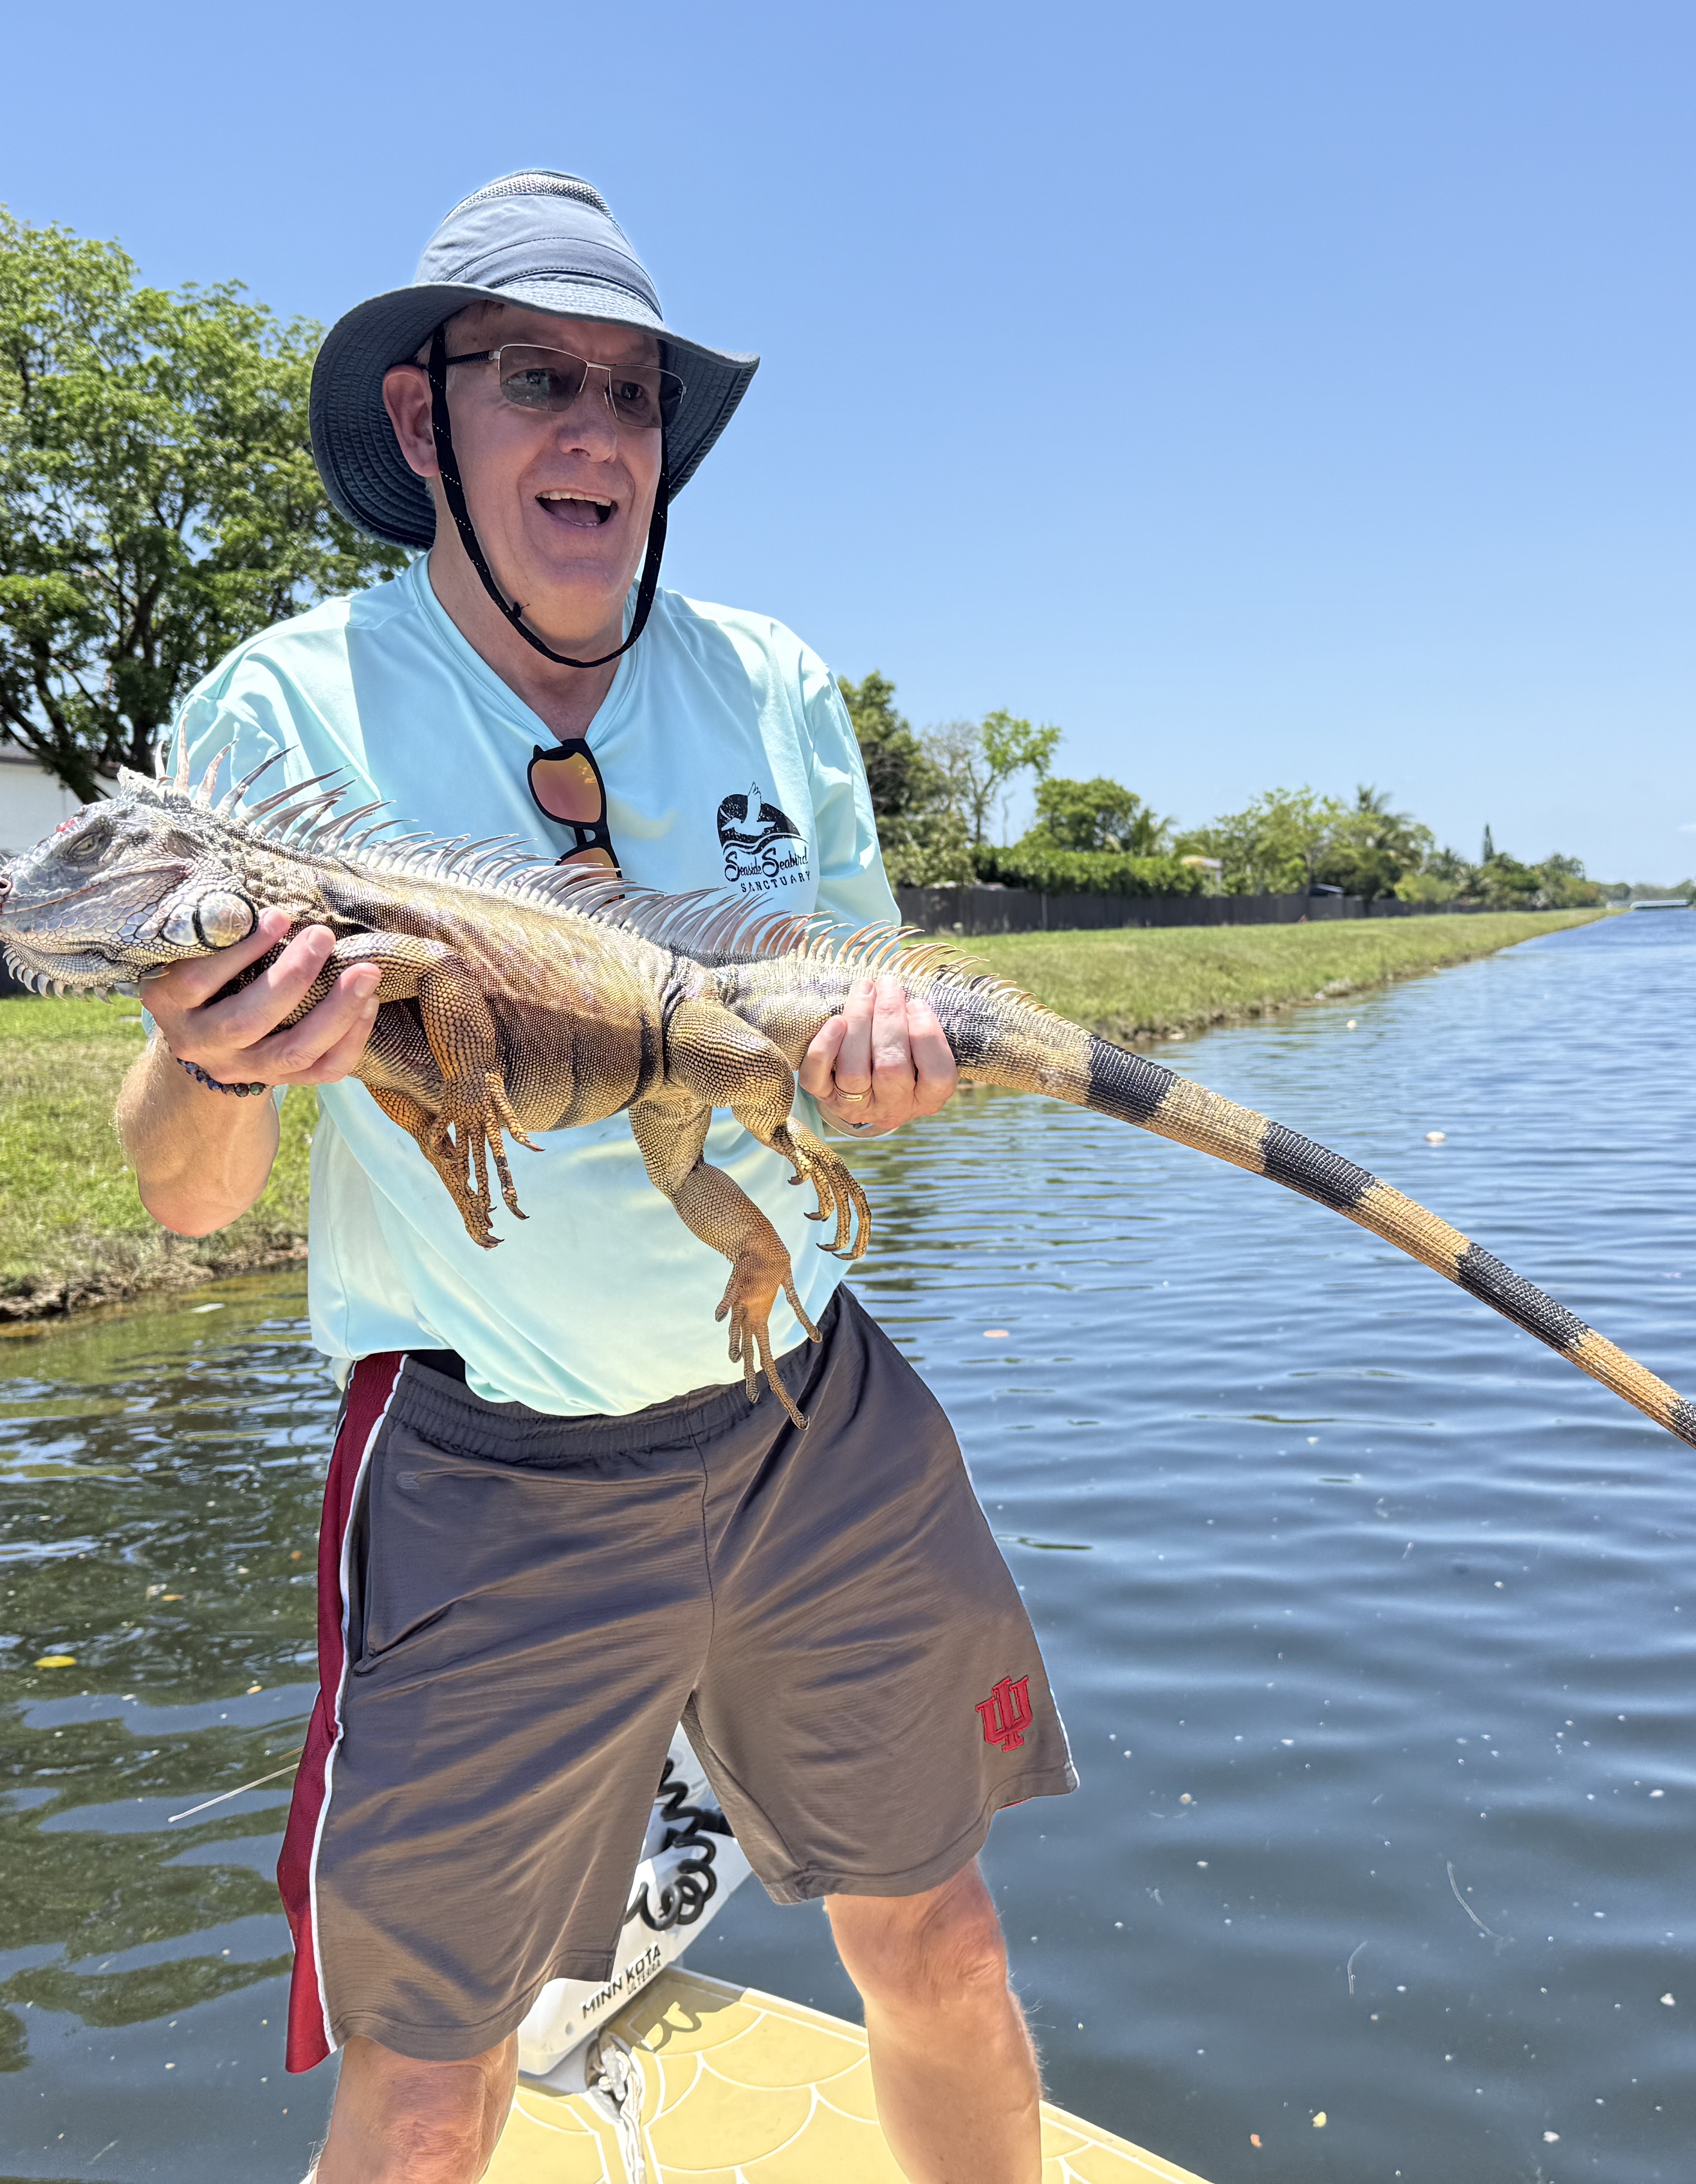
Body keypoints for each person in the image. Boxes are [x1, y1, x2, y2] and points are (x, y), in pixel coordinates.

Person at [115, 170, 1075, 2184]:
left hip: (809, 1408)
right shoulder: (285, 714)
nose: (593, 433)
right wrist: (219, 1053)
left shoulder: (772, 685)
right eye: (535, 376)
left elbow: (859, 1019)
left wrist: (886, 1079)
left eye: (631, 396)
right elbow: (189, 1190)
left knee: (946, 1941)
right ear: (419, 420)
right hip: (496, 1462)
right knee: (432, 2082)